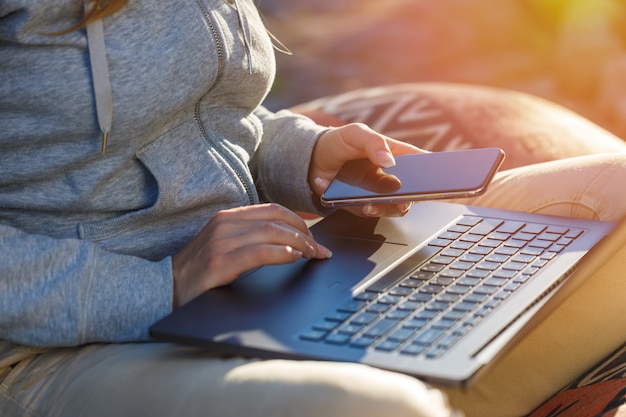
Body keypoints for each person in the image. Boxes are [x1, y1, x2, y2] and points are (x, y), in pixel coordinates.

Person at [1, 1, 625, 417]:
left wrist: (304, 154)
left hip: (263, 283)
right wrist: (156, 285)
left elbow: (205, 118)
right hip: (54, 345)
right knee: (375, 408)